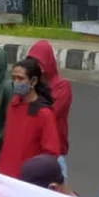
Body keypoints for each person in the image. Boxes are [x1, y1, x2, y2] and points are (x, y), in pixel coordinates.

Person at [0, 58, 60, 178]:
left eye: (20, 78)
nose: (15, 82)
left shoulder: (43, 113)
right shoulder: (13, 105)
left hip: (26, 180)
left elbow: (51, 153)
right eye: (13, 78)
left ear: (33, 81)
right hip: (3, 175)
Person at [28, 40, 72, 179]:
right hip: (31, 151)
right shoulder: (29, 86)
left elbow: (49, 114)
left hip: (54, 154)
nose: (38, 68)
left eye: (40, 63)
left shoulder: (62, 87)